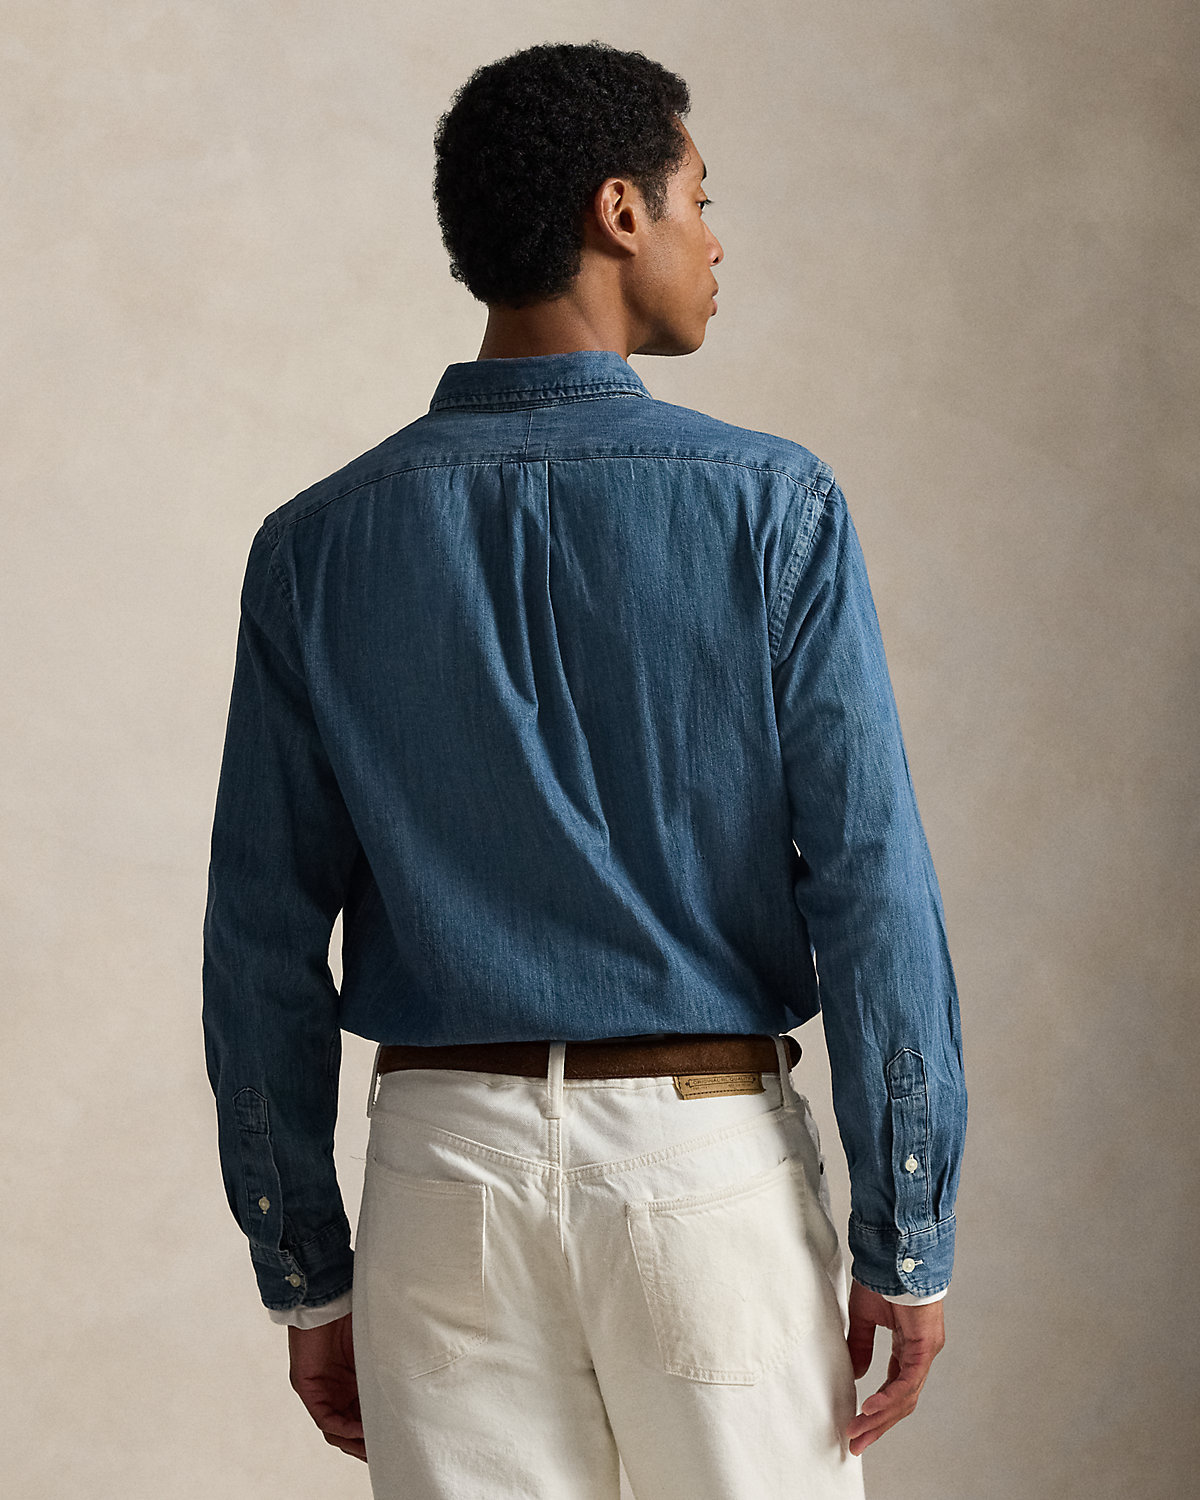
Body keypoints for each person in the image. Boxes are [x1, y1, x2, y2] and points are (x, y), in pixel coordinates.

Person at [202, 38, 967, 1500]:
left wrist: (307, 1266)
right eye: (701, 197)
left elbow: (259, 940)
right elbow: (870, 885)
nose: (715, 239)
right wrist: (908, 1230)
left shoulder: (315, 546)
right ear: (622, 210)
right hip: (705, 1172)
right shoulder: (772, 507)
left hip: (443, 1184)